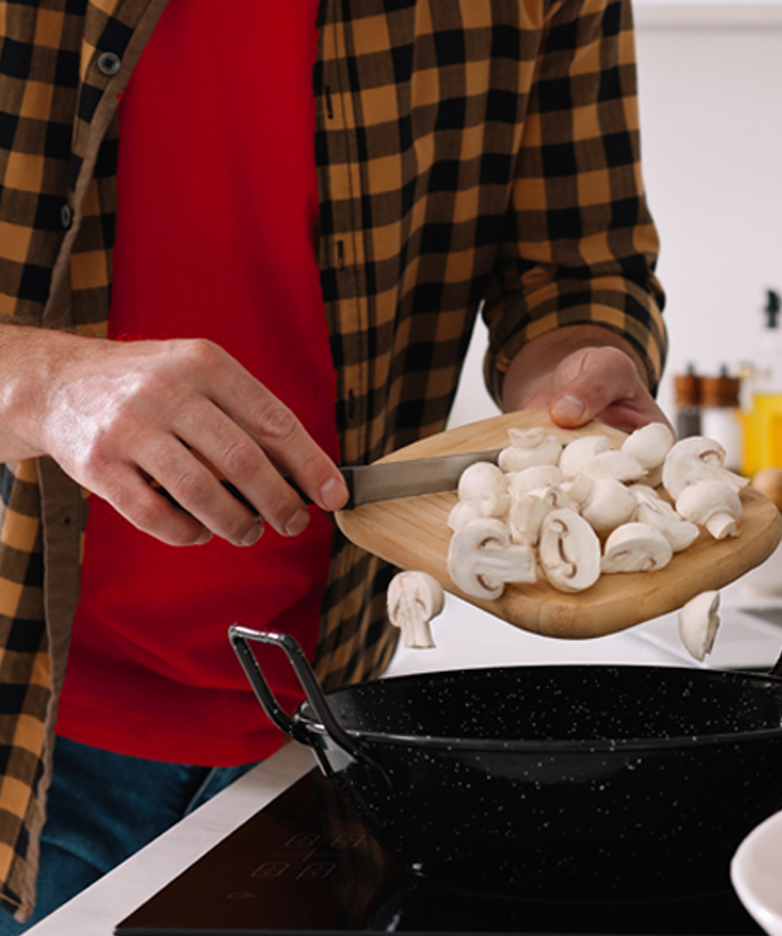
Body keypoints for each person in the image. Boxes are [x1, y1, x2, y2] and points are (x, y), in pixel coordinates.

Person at [0, 0, 668, 927]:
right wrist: (39, 381)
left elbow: (576, 269)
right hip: (31, 723)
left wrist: (572, 374)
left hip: (321, 723)